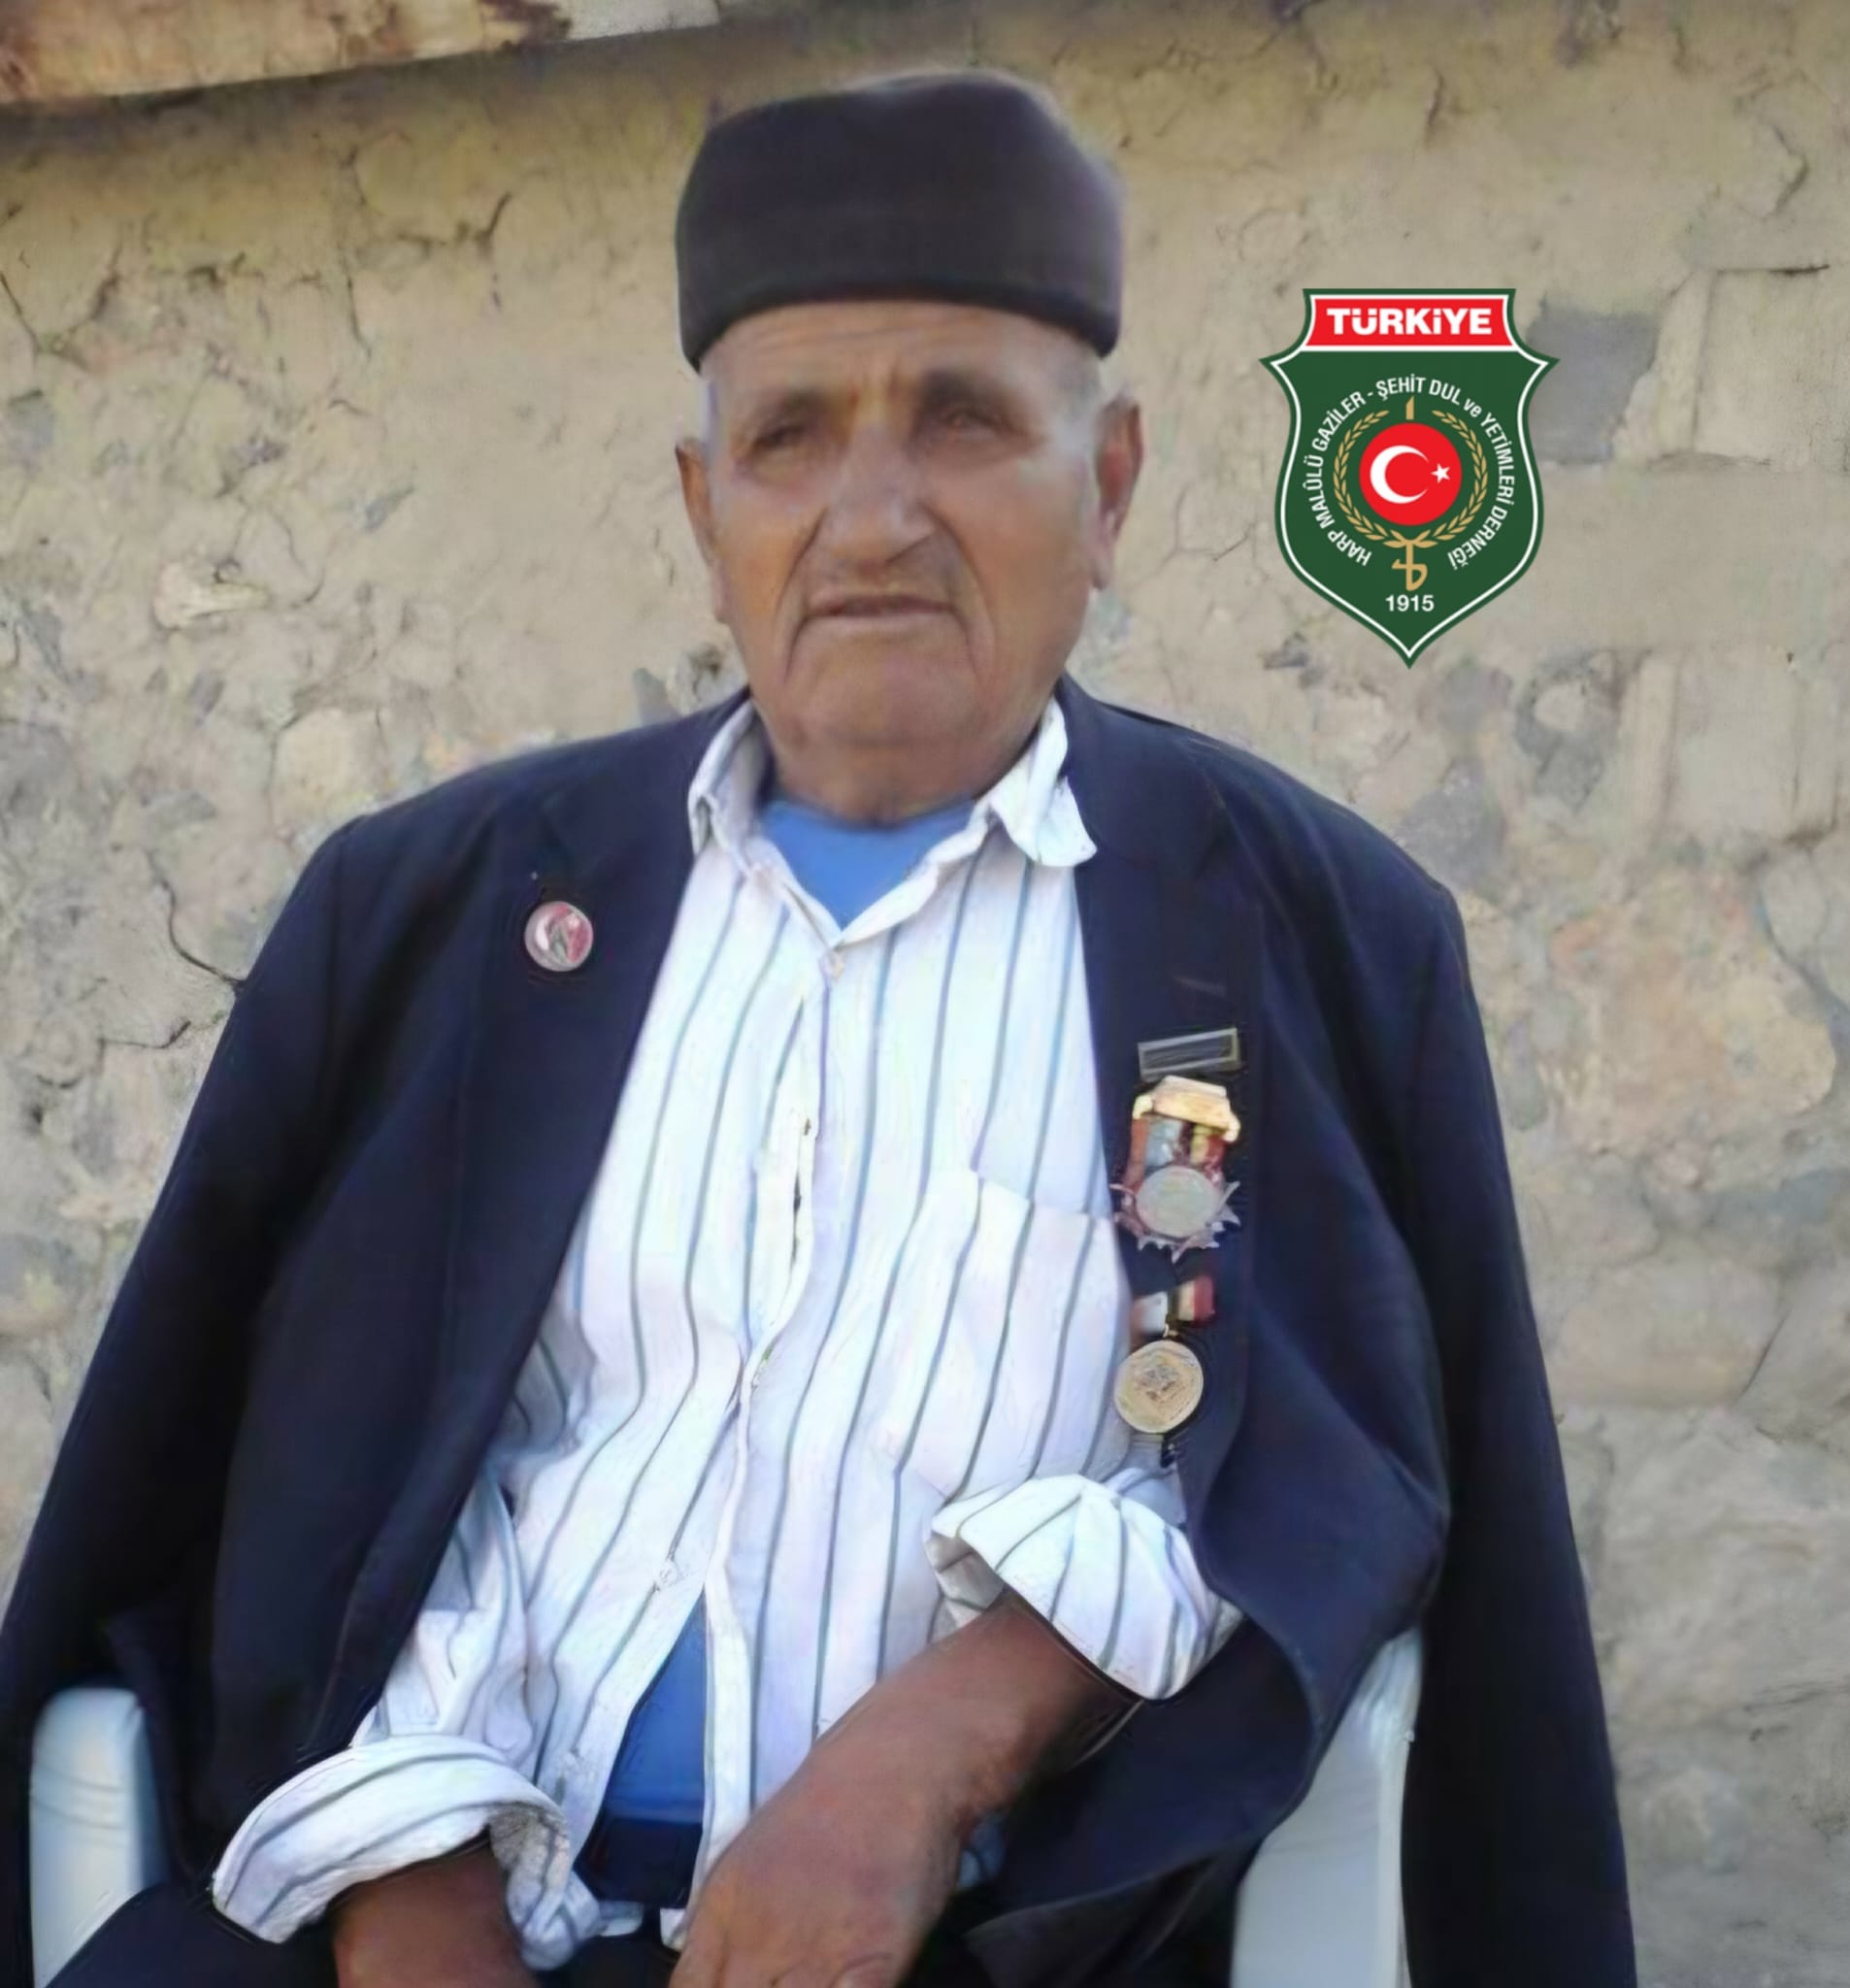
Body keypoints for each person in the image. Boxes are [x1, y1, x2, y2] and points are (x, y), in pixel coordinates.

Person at [0, 66, 1635, 1988]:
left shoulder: (1295, 936)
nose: (871, 517)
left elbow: (1319, 1466)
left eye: (961, 419)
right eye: (788, 436)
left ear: (1106, 484)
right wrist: (399, 1867)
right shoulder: (436, 914)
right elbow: (307, 1474)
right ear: (708, 513)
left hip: (1004, 1943)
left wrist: (937, 1745)